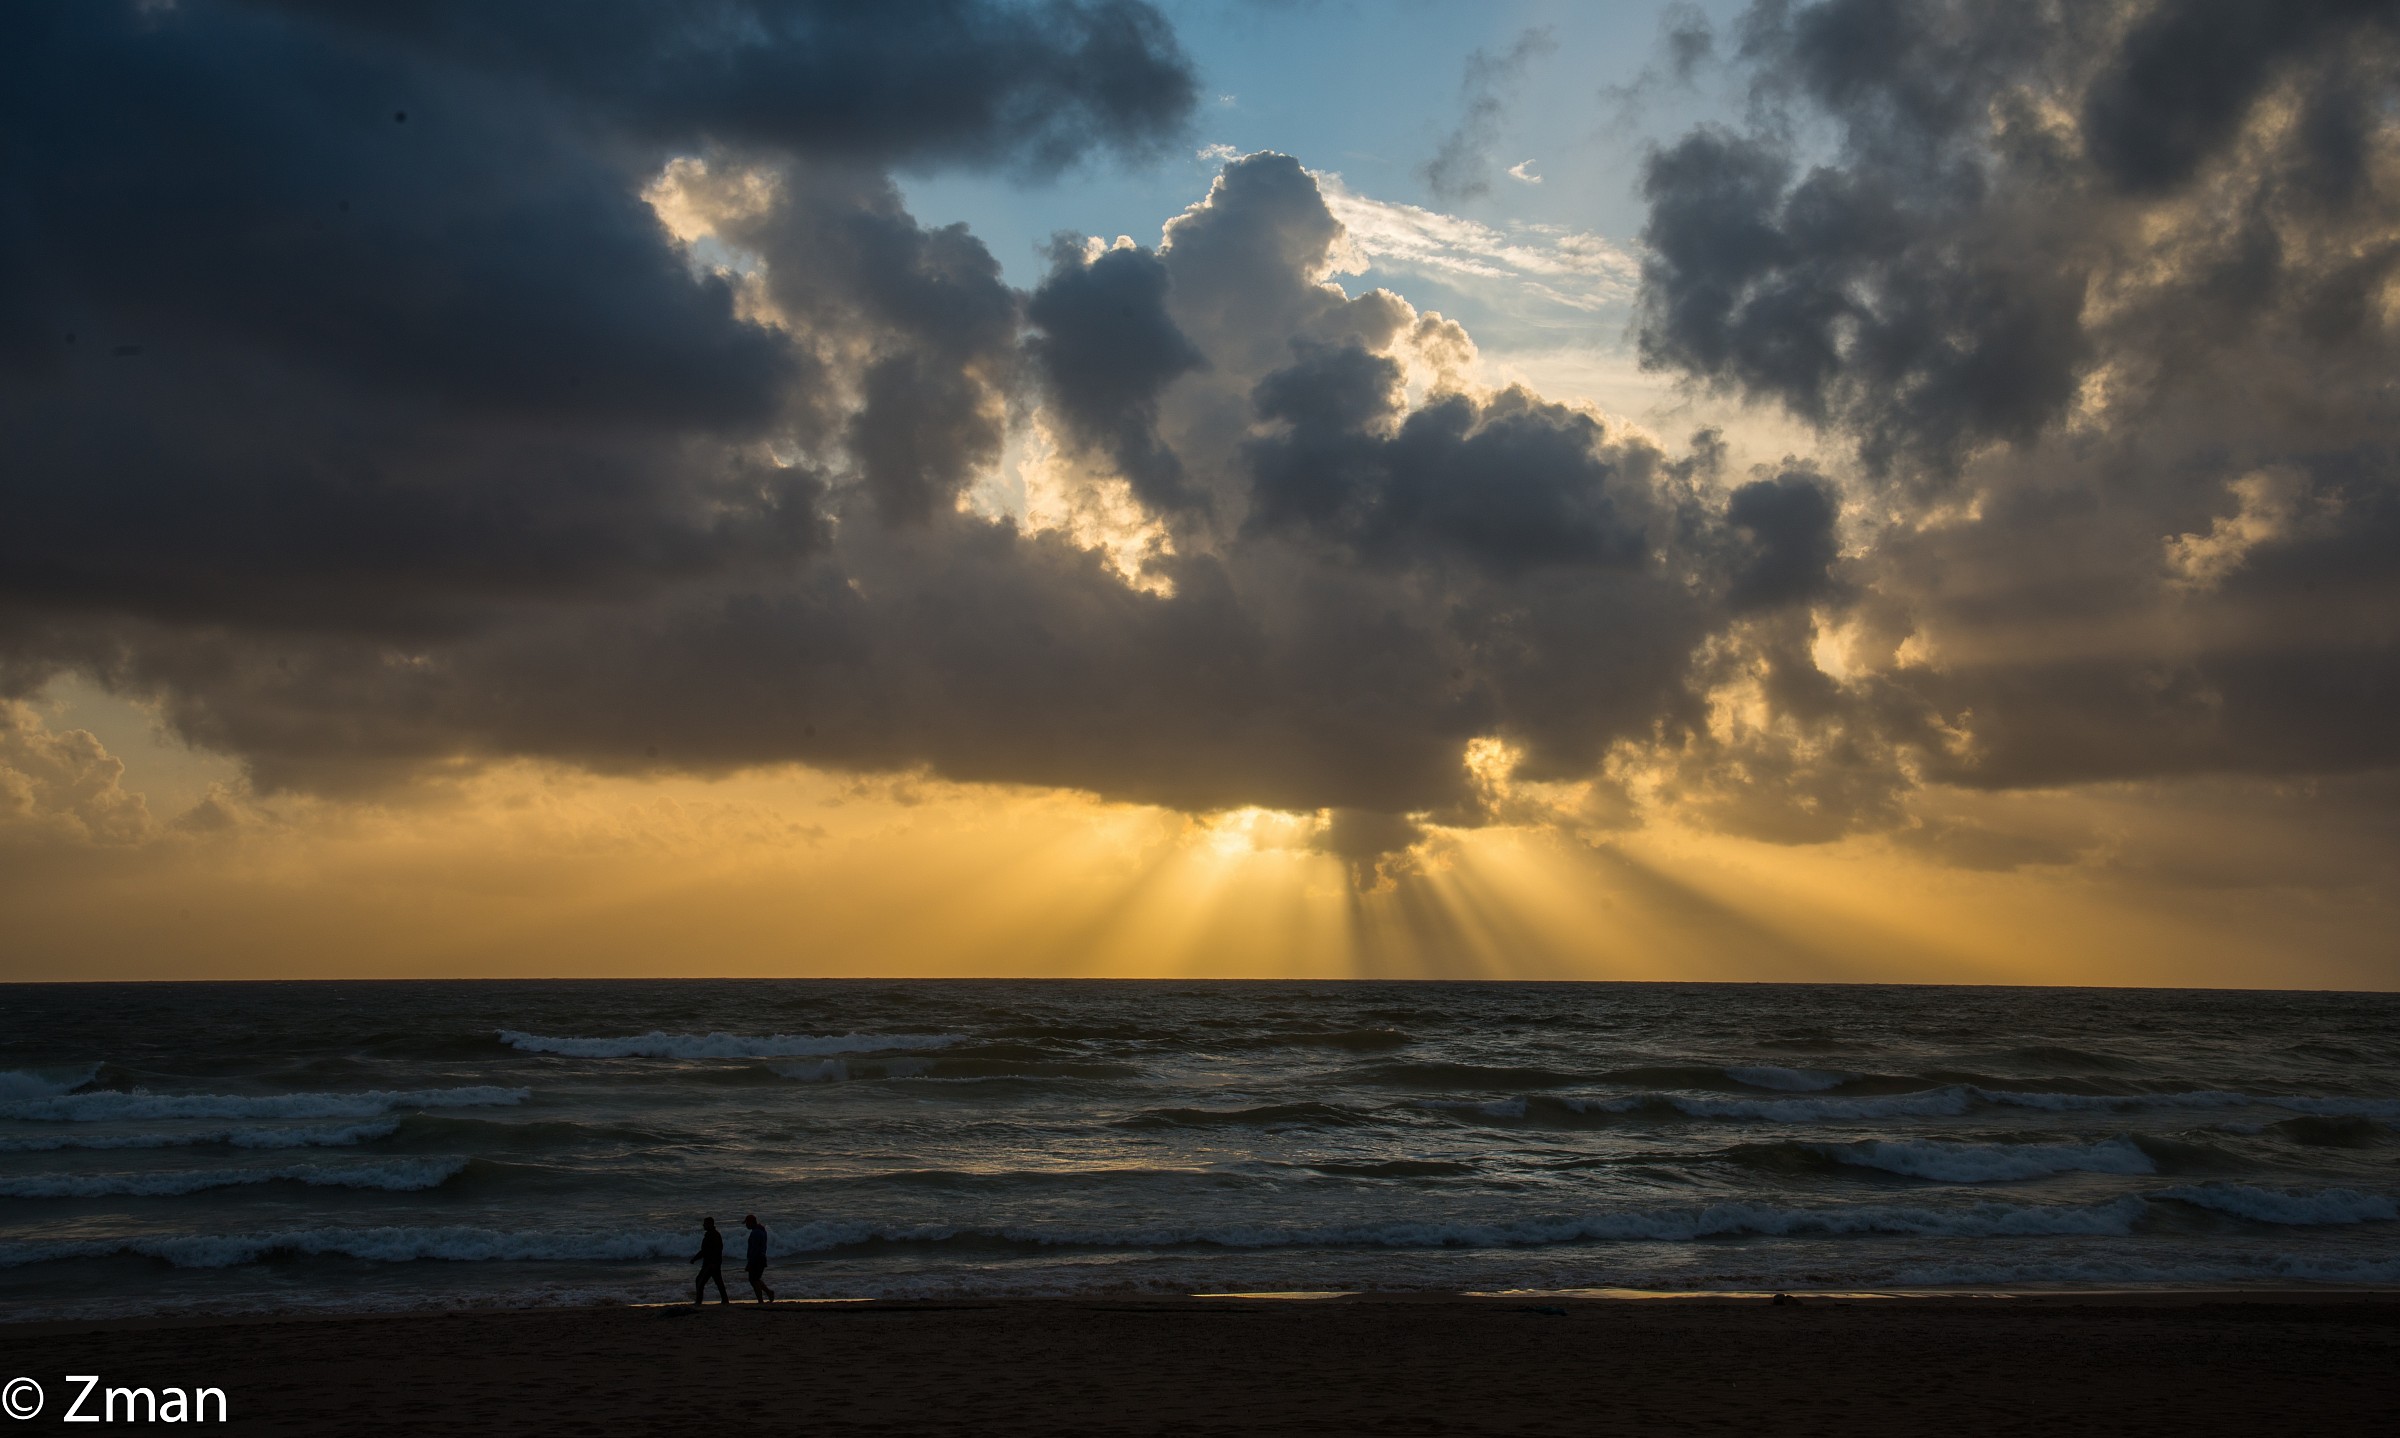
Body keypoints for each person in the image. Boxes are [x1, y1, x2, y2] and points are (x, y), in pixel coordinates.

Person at [690, 1216, 728, 1306]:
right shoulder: (712, 1234)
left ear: (710, 1224)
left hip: (710, 1264)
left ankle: (698, 1301)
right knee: (718, 1282)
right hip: (713, 1263)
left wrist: (694, 1259)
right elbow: (708, 1250)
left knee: (699, 1280)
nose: (703, 1225)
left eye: (705, 1223)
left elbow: (712, 1250)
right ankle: (725, 1300)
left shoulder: (713, 1235)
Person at [742, 1214, 775, 1303]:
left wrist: (750, 1262)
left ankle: (761, 1300)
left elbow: (755, 1249)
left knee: (753, 1280)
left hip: (757, 1259)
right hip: (761, 1257)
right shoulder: (761, 1230)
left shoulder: (755, 1233)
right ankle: (769, 1293)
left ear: (751, 1222)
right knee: (756, 1279)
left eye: (747, 1223)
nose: (746, 1225)